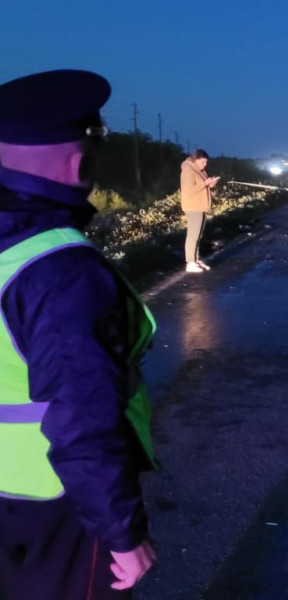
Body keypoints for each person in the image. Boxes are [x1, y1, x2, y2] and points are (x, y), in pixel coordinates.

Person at [0, 70, 157, 598]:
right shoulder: (59, 267)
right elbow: (81, 413)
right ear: (79, 159)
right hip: (53, 505)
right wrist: (120, 532)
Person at [179, 149, 218, 273]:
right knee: (193, 235)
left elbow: (204, 186)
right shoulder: (188, 171)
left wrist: (212, 183)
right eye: (202, 162)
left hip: (201, 206)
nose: (204, 165)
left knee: (198, 235)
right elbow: (188, 190)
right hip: (193, 207)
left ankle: (195, 259)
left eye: (206, 162)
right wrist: (205, 183)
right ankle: (190, 262)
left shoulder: (200, 171)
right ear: (196, 160)